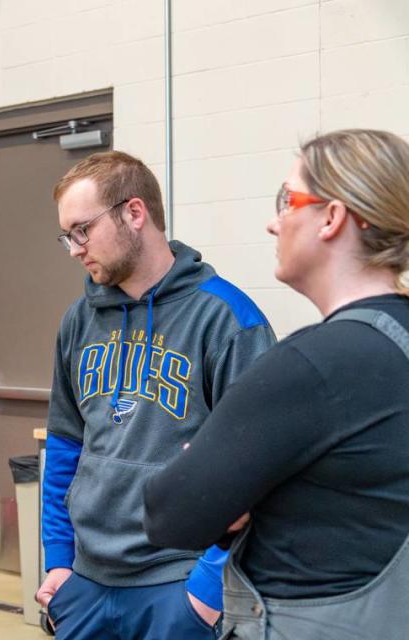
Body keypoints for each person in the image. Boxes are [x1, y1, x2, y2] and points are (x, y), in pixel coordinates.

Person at [144, 129, 409, 640]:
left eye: (288, 201)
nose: (273, 222)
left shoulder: (313, 365)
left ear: (332, 218)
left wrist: (238, 494)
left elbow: (170, 512)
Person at [36, 150, 275, 639]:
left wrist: (205, 593)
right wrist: (59, 563)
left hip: (178, 583)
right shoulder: (79, 320)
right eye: (67, 236)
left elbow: (260, 470)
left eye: (83, 229)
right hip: (85, 583)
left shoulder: (225, 318)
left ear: (134, 213)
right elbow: (64, 447)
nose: (75, 248)